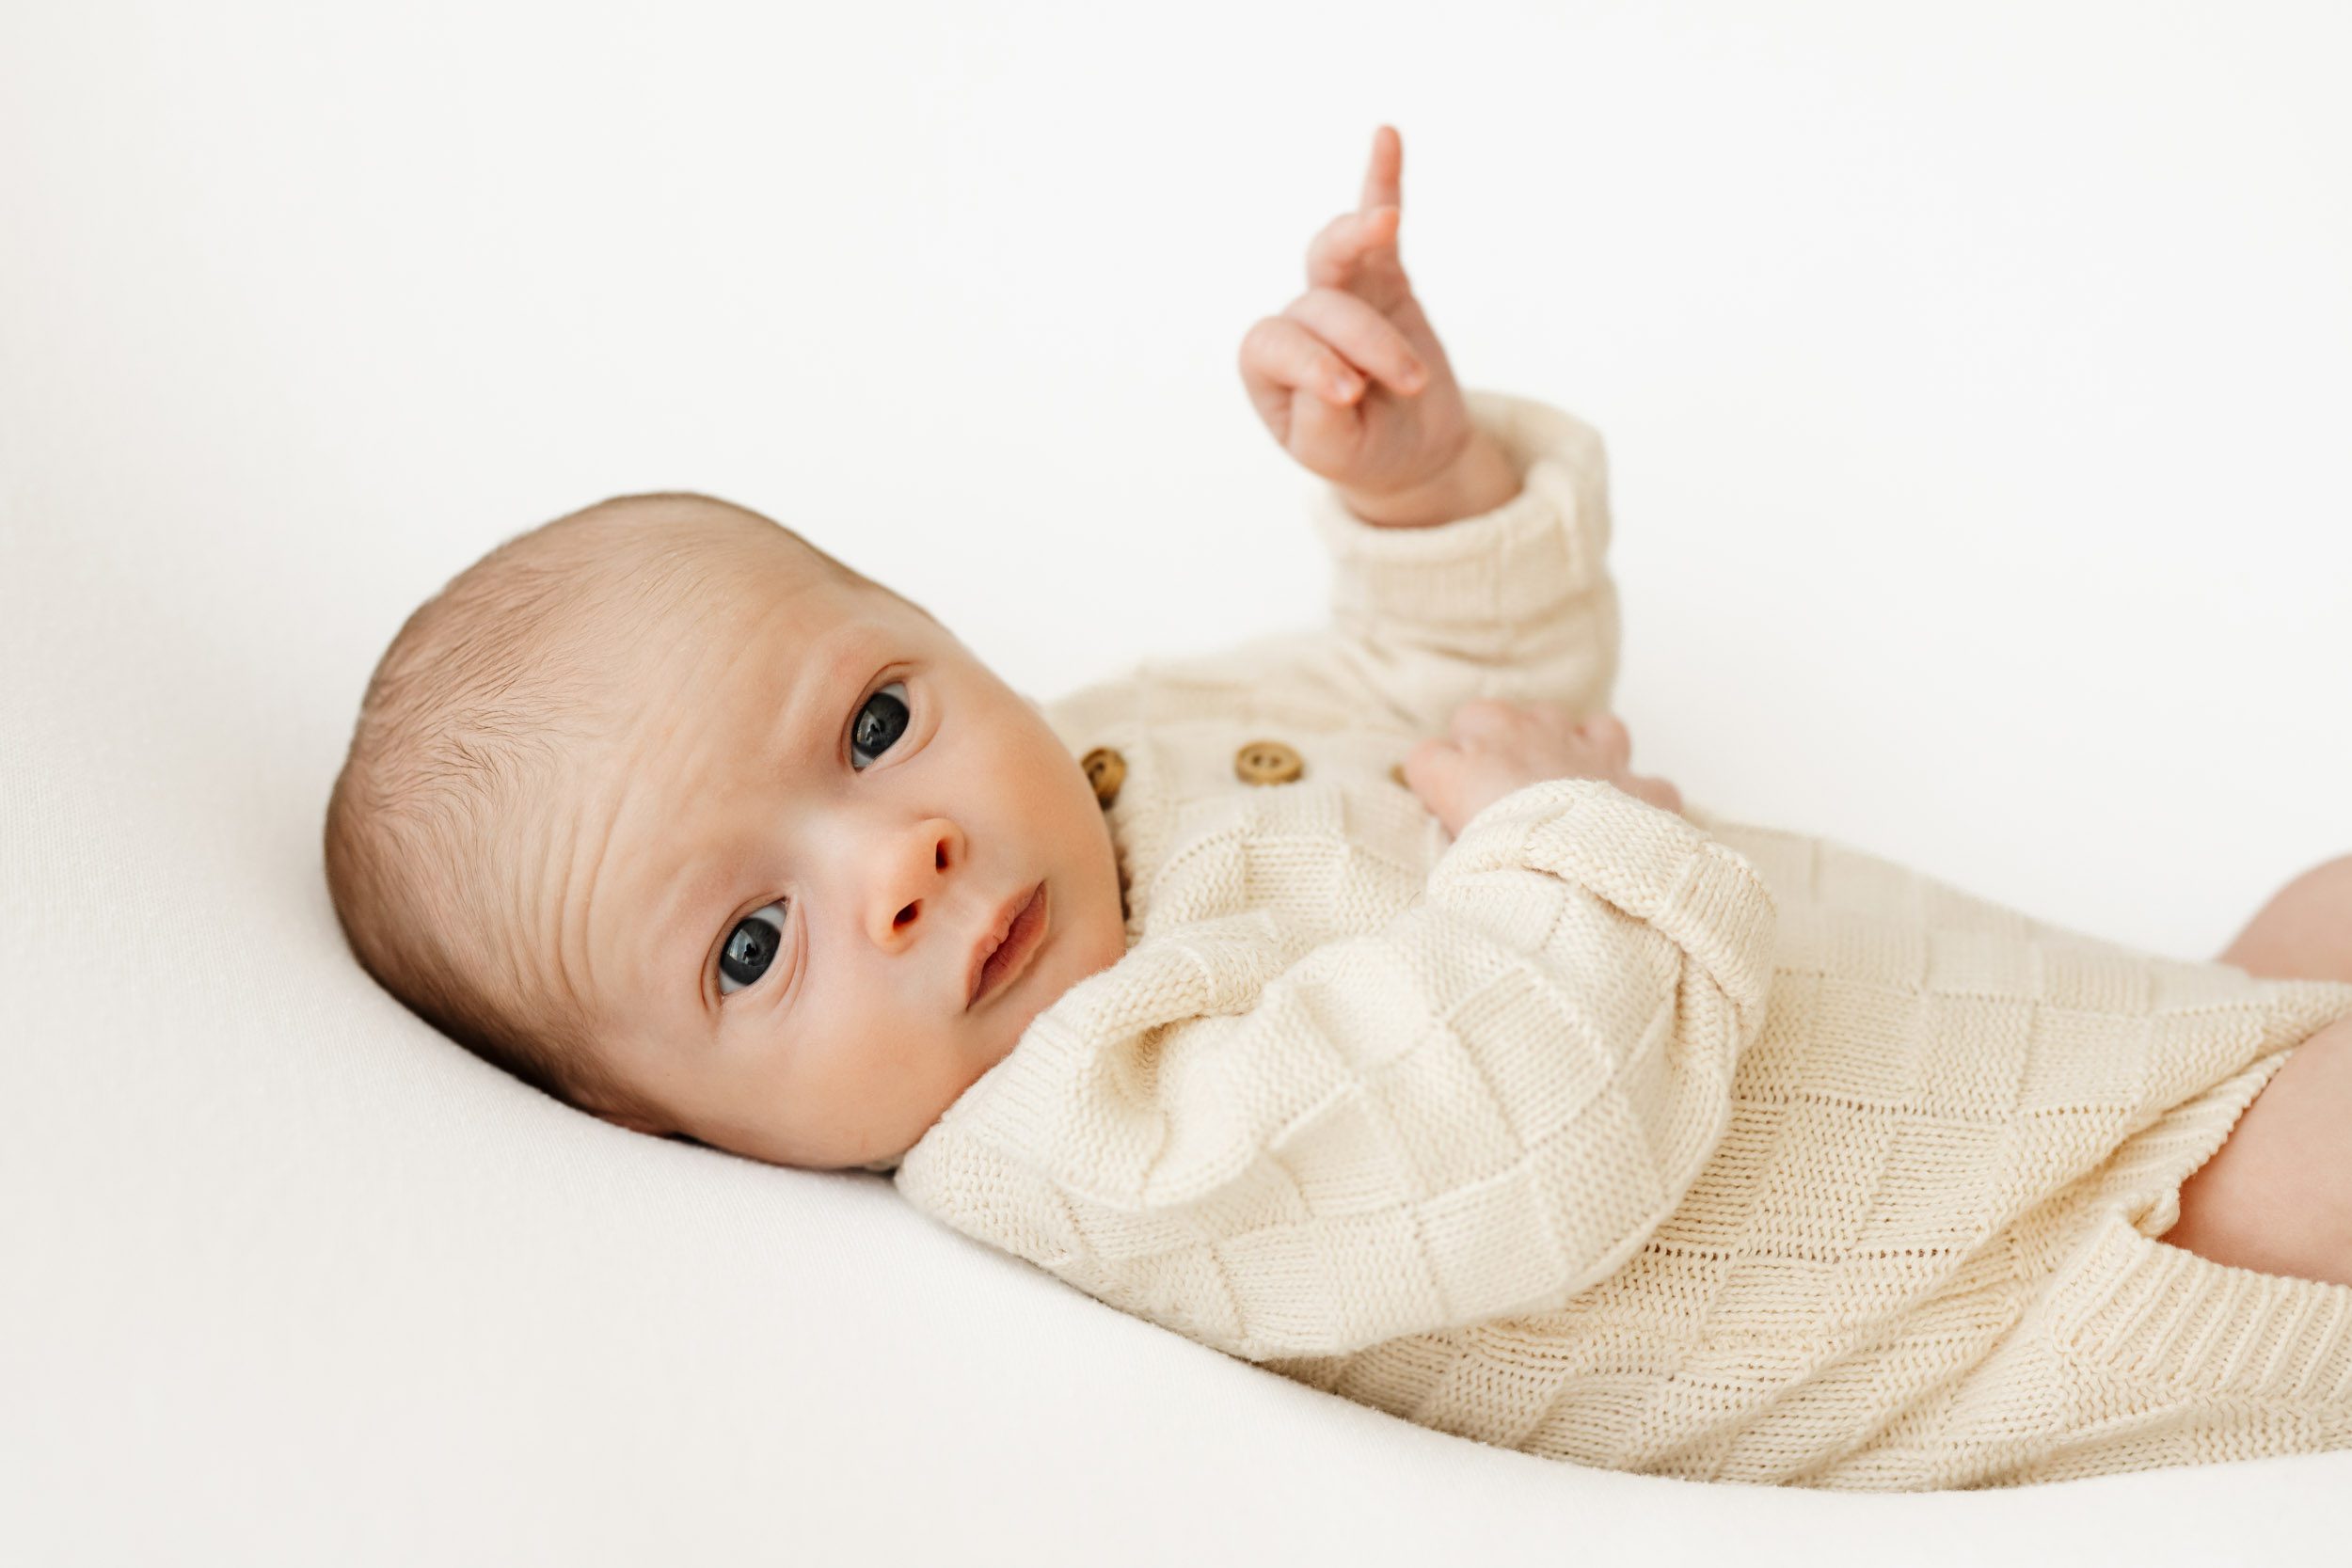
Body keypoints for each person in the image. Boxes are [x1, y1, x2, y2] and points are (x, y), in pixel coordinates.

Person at [324, 125, 2352, 1489]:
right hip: (2032, 1261)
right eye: (749, 945)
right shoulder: (1082, 1142)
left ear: (934, 628)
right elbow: (1532, 1134)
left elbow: (1459, 699)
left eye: (869, 726)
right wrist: (1559, 837)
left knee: (2310, 910)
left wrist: (1419, 498)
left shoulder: (1118, 748)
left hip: (2067, 1033)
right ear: (663, 1122)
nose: (902, 857)